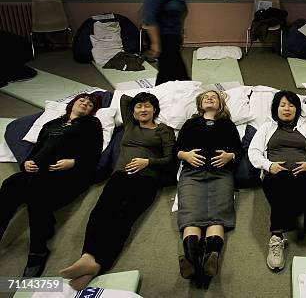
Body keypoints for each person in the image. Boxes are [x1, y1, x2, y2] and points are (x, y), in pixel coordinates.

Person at [60, 92, 176, 290]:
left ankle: (98, 264)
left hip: (146, 179)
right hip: (119, 175)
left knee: (123, 216)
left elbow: (171, 158)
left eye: (148, 106)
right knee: (100, 212)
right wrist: (138, 104)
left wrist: (147, 161)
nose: (143, 110)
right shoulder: (131, 124)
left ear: (155, 109)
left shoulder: (163, 130)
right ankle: (87, 256)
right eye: (139, 107)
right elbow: (124, 99)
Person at [0, 93, 103, 277]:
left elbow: (95, 154)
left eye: (90, 104)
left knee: (36, 190)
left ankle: (38, 249)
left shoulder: (92, 125)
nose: (86, 103)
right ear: (72, 104)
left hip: (67, 176)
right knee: (10, 183)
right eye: (82, 100)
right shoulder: (51, 124)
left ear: (92, 111)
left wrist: (74, 162)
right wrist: (26, 162)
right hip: (36, 173)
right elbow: (37, 149)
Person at [249, 90, 306, 271]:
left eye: (291, 105)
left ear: (297, 109)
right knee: (282, 179)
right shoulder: (266, 128)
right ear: (276, 109)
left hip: (302, 174)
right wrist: (269, 166)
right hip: (276, 175)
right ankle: (277, 237)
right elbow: (254, 152)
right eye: (282, 105)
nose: (287, 109)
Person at [176, 90, 242, 283]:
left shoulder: (227, 125)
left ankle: (210, 257)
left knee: (217, 216)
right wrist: (185, 155)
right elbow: (176, 148)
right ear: (199, 104)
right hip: (191, 175)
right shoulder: (190, 124)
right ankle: (191, 261)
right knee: (191, 216)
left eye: (214, 97)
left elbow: (238, 149)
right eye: (206, 97)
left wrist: (230, 156)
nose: (210, 98)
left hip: (221, 174)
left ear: (220, 104)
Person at [142, 0, 189, 85]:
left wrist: (181, 30)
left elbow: (182, 7)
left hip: (173, 35)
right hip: (162, 37)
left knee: (170, 71)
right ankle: (156, 98)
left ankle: (163, 95)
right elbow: (150, 20)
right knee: (173, 71)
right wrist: (155, 44)